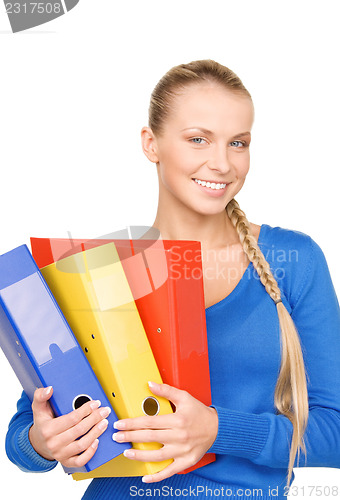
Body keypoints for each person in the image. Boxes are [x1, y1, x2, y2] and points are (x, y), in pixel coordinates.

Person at [5, 60, 340, 499]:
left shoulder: (293, 261)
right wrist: (44, 443)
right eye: (198, 139)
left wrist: (218, 430)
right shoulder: (99, 269)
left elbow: (334, 431)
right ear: (151, 144)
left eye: (237, 143)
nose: (221, 163)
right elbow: (26, 427)